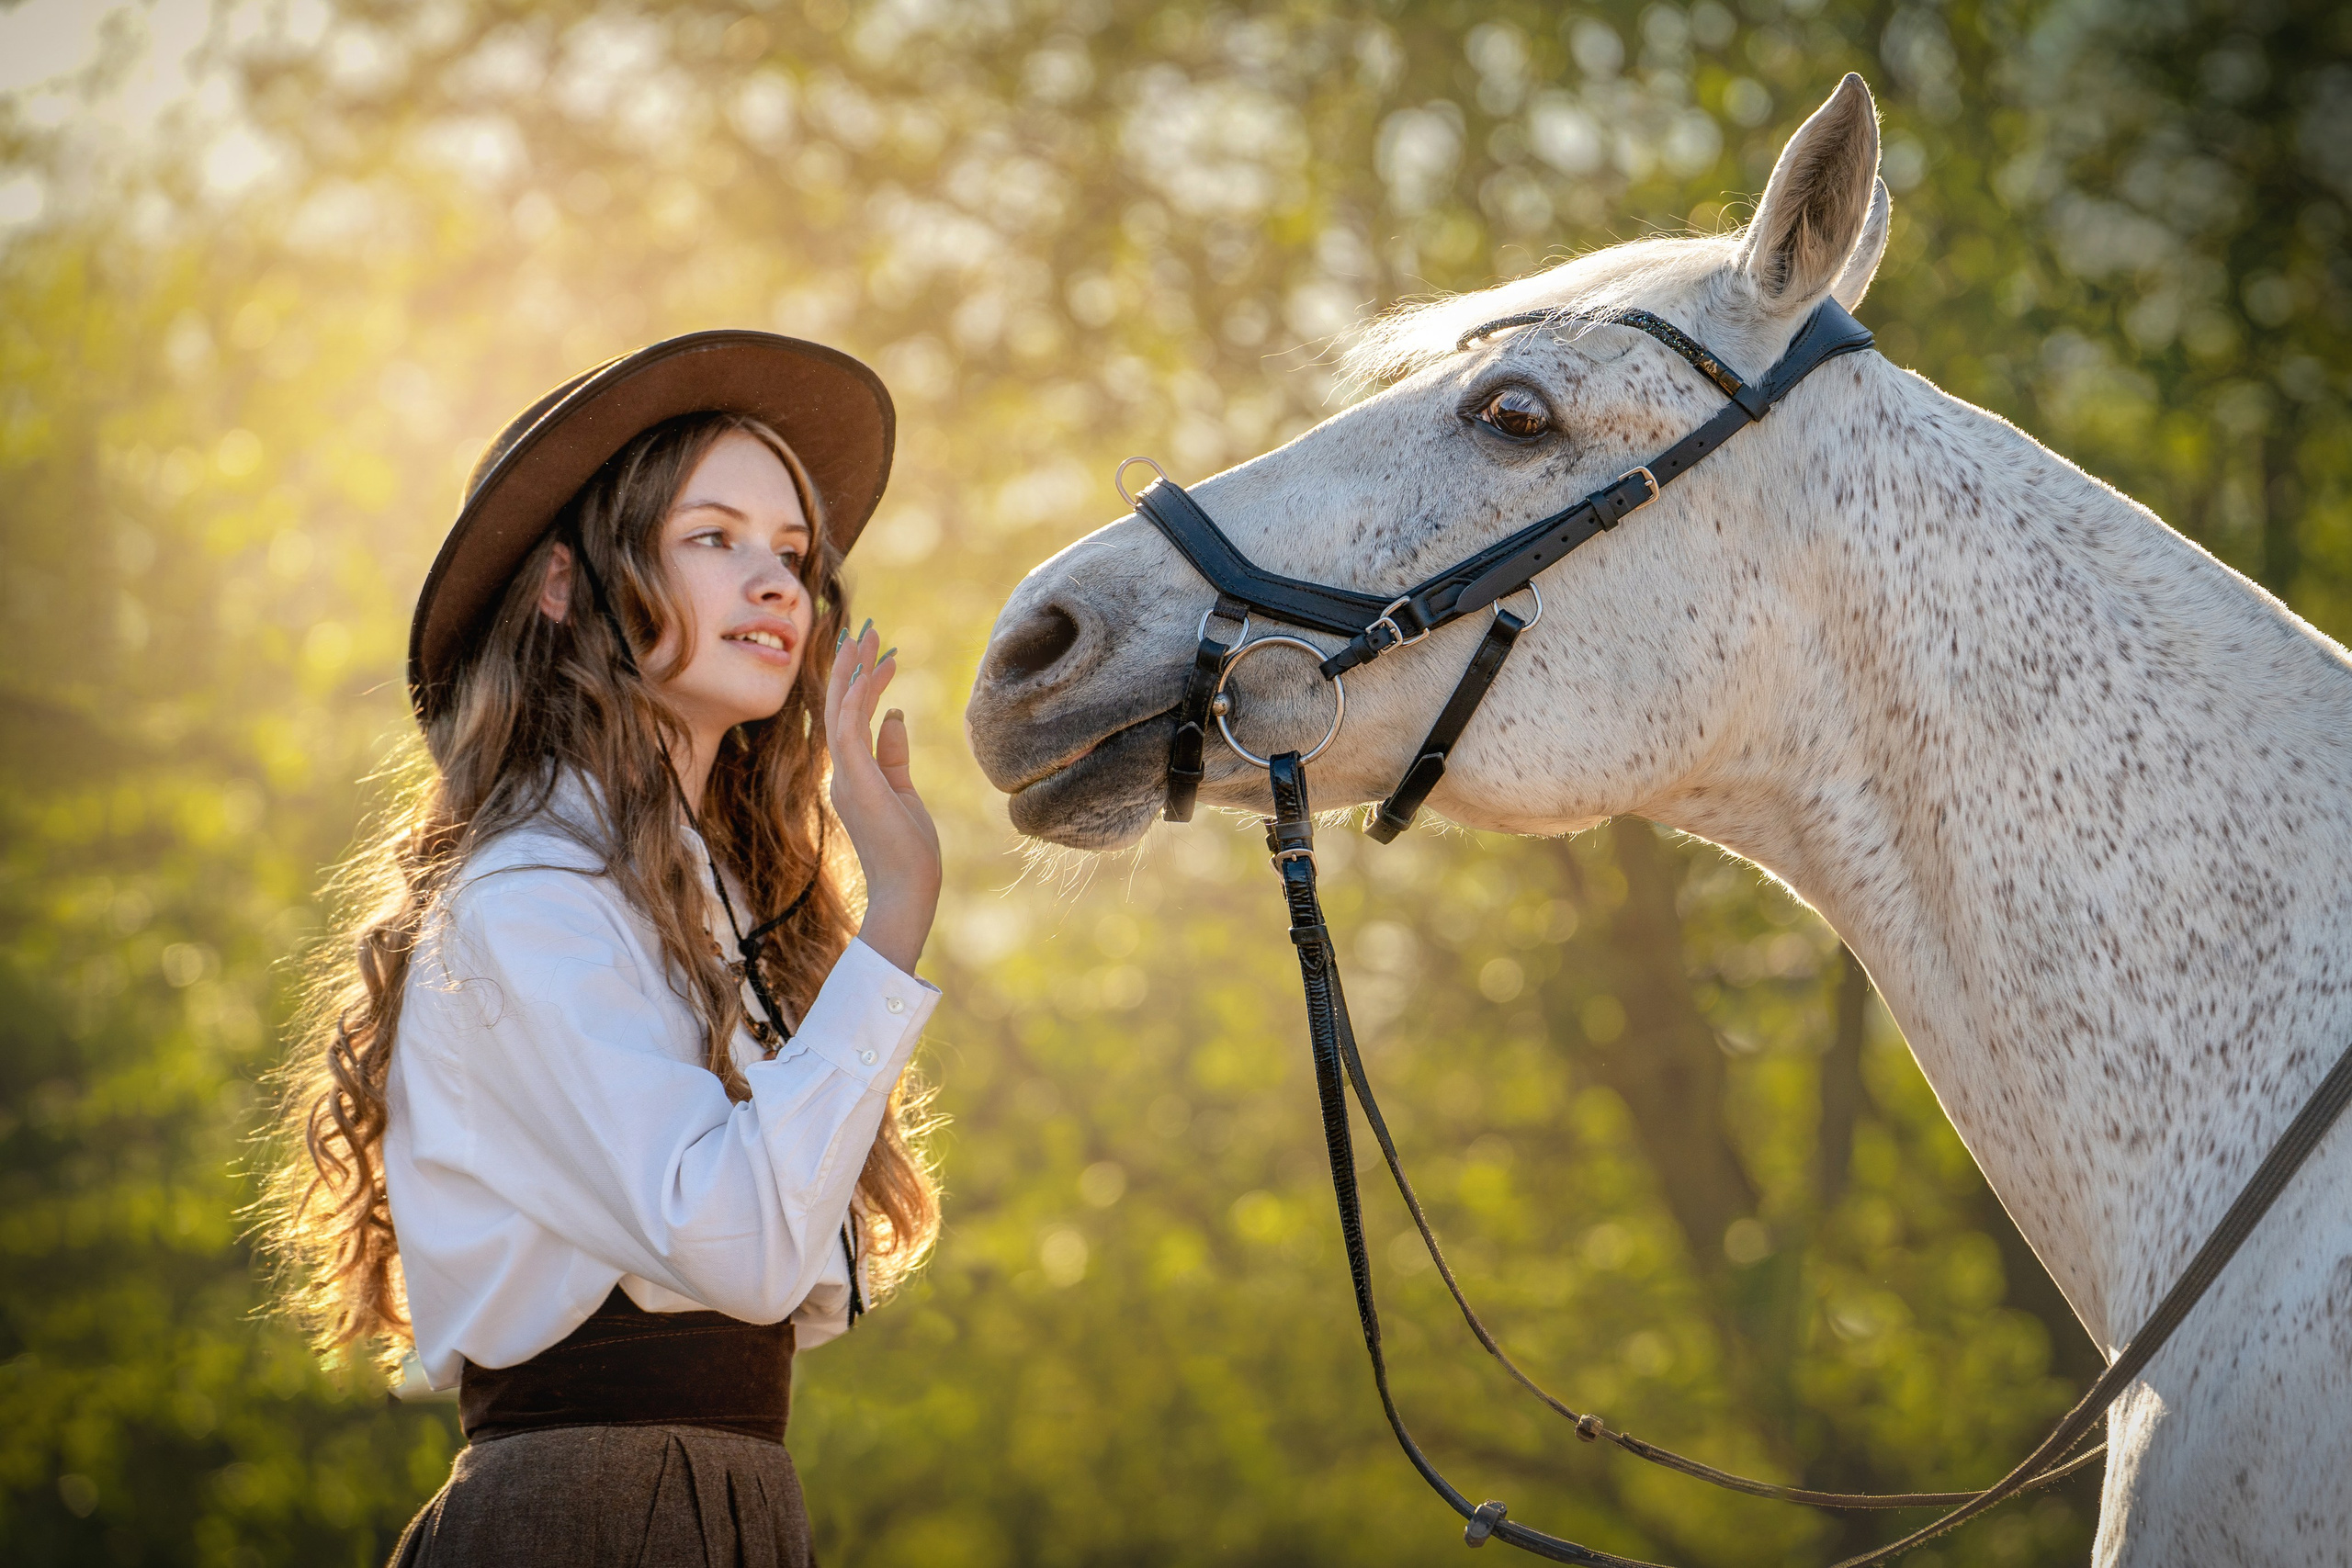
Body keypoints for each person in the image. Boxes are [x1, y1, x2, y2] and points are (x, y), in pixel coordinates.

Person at [259, 331, 943, 1567]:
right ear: (567, 584)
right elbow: (742, 1246)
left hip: (730, 1500)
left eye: (791, 554)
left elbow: (809, 1294)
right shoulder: (529, 899)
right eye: (714, 538)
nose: (780, 584)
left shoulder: (719, 894)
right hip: (596, 1511)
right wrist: (894, 918)